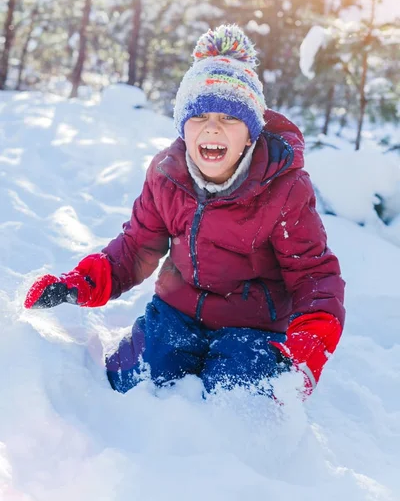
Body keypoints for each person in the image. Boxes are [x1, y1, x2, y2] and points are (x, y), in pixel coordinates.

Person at [24, 24, 345, 398]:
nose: (213, 129)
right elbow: (135, 248)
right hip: (177, 312)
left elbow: (313, 275)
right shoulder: (167, 176)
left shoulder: (283, 188)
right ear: (183, 127)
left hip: (253, 327)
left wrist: (307, 347)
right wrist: (79, 283)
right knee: (131, 379)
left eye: (229, 118)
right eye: (199, 117)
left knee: (239, 396)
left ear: (251, 133)